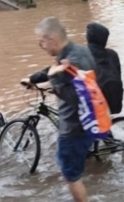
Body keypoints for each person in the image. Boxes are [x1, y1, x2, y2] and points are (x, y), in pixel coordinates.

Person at [22, 17, 96, 202]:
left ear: (52, 39)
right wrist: (34, 78)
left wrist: (54, 81)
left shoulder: (70, 64)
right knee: (74, 170)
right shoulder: (78, 51)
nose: (42, 47)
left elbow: (76, 98)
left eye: (41, 42)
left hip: (74, 129)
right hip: (87, 122)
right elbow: (54, 69)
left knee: (71, 176)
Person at [86, 22, 123, 114]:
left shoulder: (83, 54)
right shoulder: (113, 54)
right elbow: (119, 76)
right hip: (114, 101)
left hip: (93, 104)